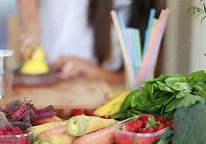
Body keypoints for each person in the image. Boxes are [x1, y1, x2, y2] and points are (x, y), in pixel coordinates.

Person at [17, 0, 165, 83]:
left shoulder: (146, 8)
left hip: (95, 96)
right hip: (42, 83)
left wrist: (90, 70)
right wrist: (31, 23)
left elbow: (138, 79)